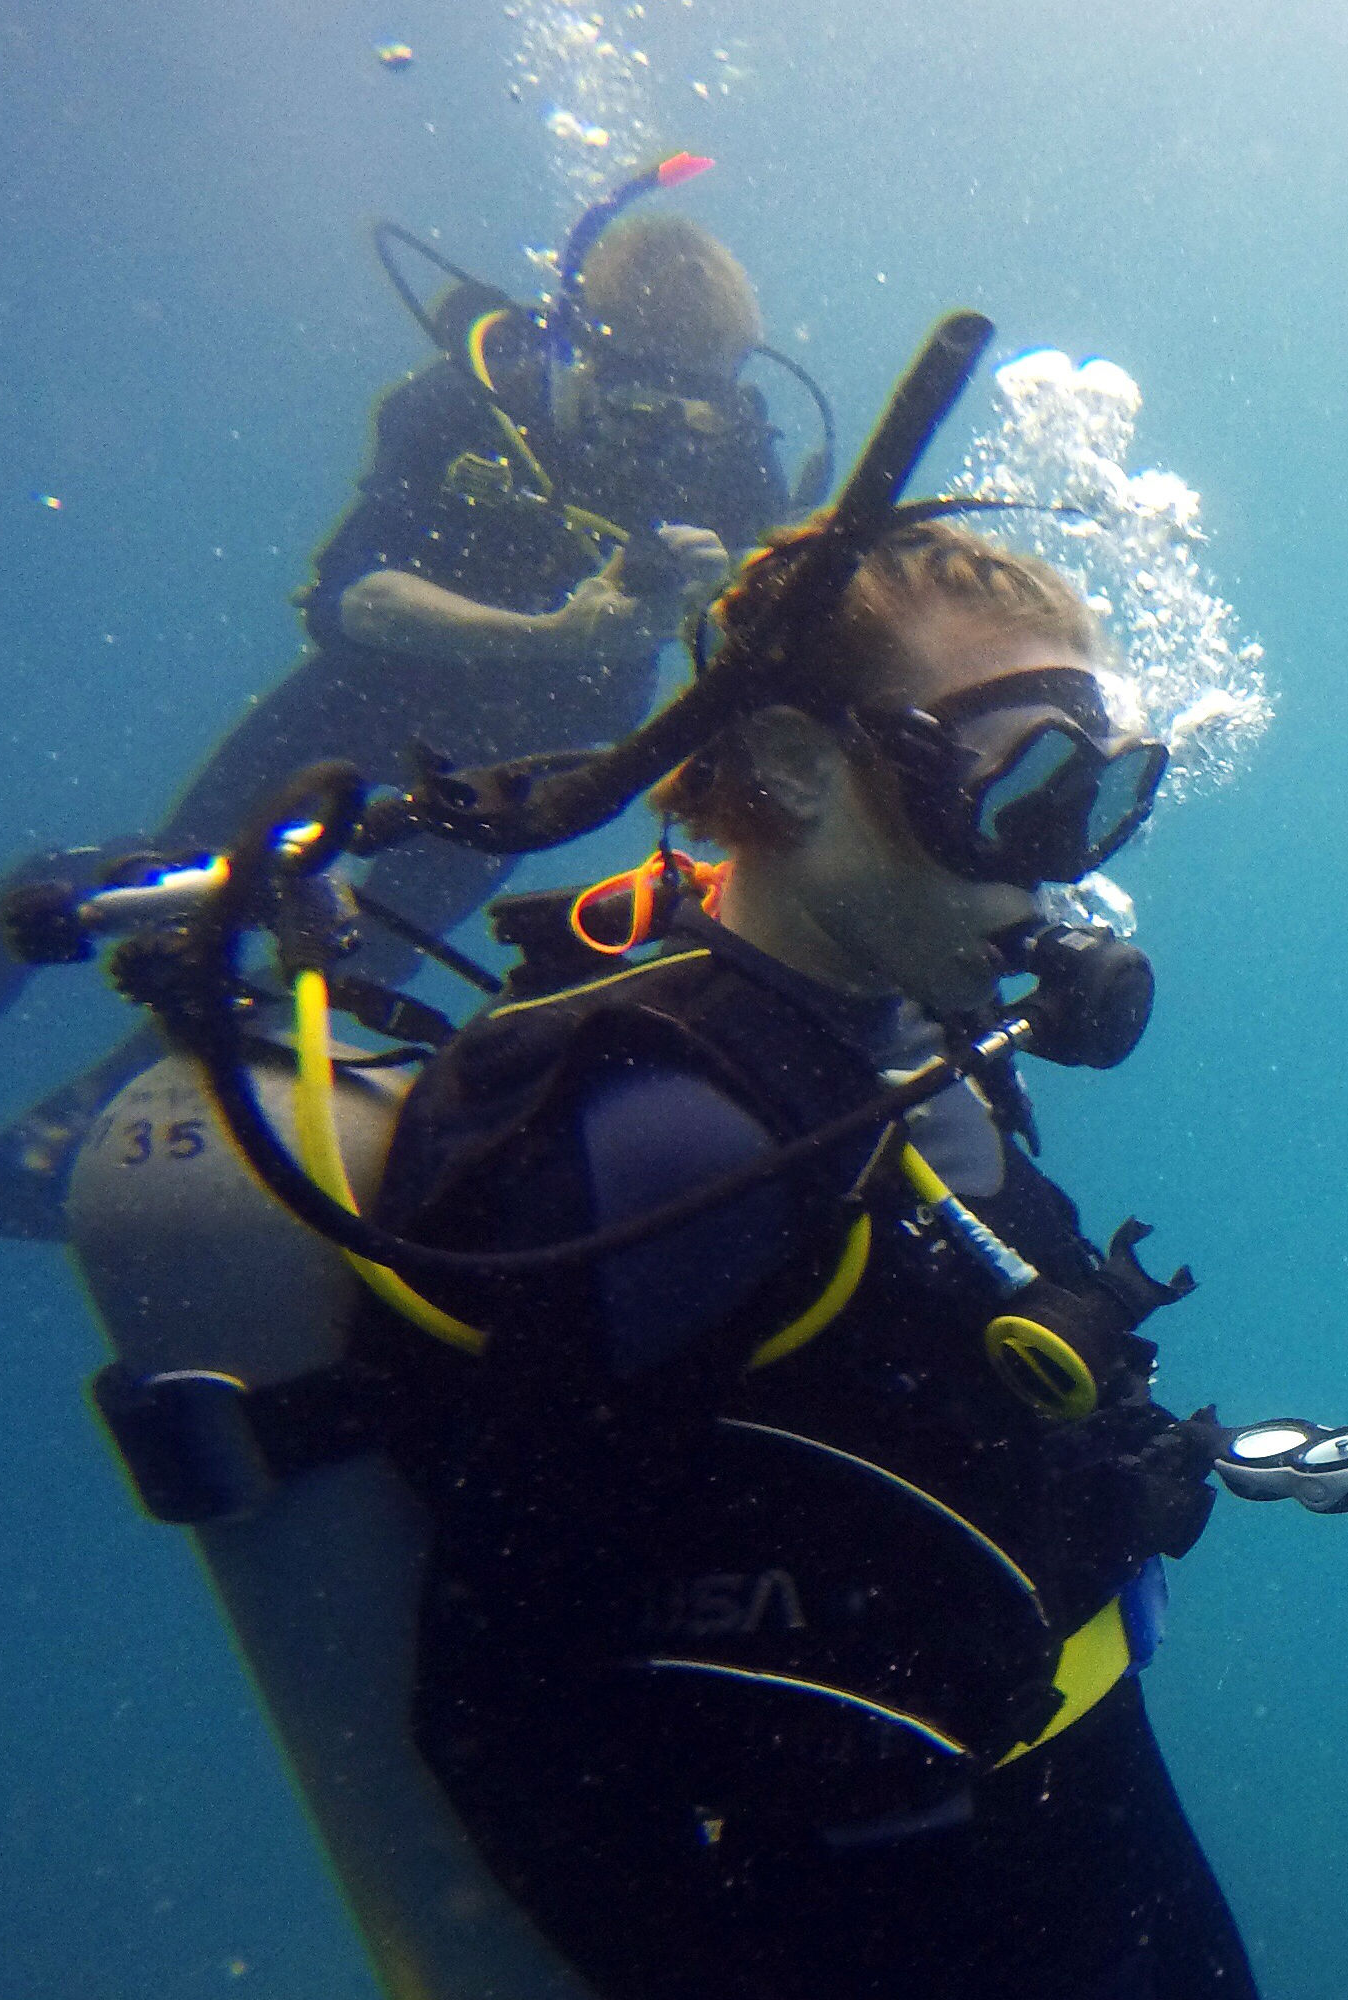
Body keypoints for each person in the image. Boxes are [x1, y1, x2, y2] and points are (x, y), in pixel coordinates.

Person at [352, 518, 1274, 1998]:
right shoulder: (686, 1142)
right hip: (896, 1908)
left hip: (1073, 1824)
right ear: (786, 766)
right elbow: (500, 1706)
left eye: (1091, 804)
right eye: (1009, 790)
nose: (1053, 874)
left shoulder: (911, 1038)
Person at [0, 198, 799, 1239]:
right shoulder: (463, 405)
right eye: (639, 388)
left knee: (373, 955)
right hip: (379, 688)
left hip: (541, 746)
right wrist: (554, 631)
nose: (662, 430)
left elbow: (766, 616)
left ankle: (135, 1098)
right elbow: (356, 595)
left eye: (696, 402)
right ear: (570, 343)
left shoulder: (734, 461)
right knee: (185, 873)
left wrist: (716, 594)